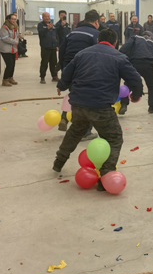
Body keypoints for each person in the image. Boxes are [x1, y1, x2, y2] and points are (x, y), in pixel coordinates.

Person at [53, 29, 143, 190]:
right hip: (101, 106)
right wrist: (136, 95)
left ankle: (59, 161)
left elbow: (67, 73)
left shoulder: (82, 54)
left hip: (78, 104)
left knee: (75, 131)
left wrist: (61, 85)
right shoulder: (119, 57)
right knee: (114, 138)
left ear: (97, 40)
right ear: (115, 42)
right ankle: (106, 175)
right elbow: (135, 78)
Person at [58, 10, 101, 133]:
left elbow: (61, 52)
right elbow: (99, 53)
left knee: (73, 94)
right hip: (86, 71)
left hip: (69, 68)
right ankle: (85, 131)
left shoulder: (71, 33)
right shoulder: (96, 34)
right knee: (87, 99)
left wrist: (64, 70)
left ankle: (64, 117)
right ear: (96, 22)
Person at [119, 31, 153, 114]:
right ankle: (152, 107)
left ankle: (123, 105)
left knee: (128, 85)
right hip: (148, 66)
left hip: (134, 64)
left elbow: (123, 49)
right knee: (152, 86)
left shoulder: (135, 37)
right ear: (151, 37)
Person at [0, 13, 20, 86]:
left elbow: (16, 36)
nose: (14, 20)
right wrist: (15, 42)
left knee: (13, 64)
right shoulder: (4, 28)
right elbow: (5, 38)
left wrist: (17, 41)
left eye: (15, 19)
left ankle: (10, 78)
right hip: (6, 50)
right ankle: (5, 80)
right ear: (9, 19)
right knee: (9, 64)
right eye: (12, 19)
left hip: (13, 49)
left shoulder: (14, 27)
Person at [38, 12, 59, 83]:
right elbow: (41, 33)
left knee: (53, 63)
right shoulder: (41, 25)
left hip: (53, 47)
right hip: (45, 47)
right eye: (45, 16)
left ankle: (54, 76)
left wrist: (57, 45)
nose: (47, 18)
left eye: (48, 16)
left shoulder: (52, 25)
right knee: (44, 63)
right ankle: (42, 77)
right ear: (42, 17)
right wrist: (47, 28)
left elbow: (56, 36)